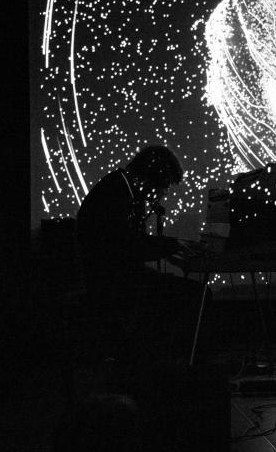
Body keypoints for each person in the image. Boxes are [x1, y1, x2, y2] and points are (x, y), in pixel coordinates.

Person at [75, 145, 203, 361]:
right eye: (164, 186)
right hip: (112, 283)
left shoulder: (122, 188)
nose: (163, 193)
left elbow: (130, 244)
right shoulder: (116, 193)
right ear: (152, 177)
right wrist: (174, 245)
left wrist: (168, 251)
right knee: (196, 295)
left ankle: (164, 362)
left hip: (112, 278)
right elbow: (129, 245)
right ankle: (176, 365)